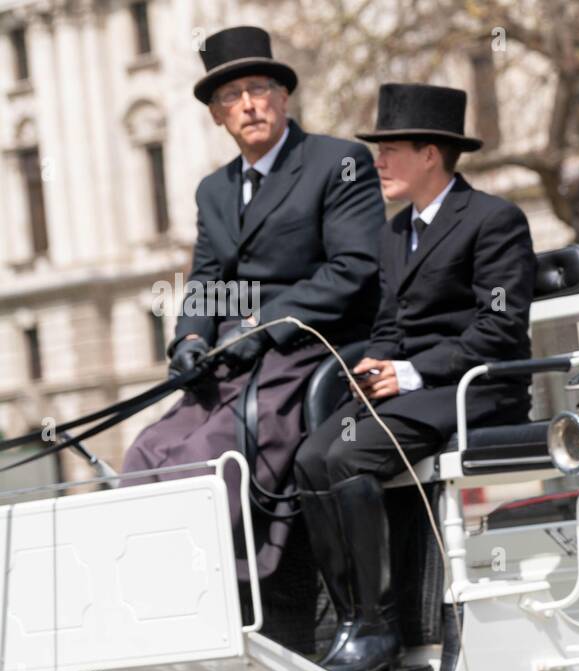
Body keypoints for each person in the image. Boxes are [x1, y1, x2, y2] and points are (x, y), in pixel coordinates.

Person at [121, 26, 384, 581]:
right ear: (217, 116)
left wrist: (264, 325)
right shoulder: (213, 191)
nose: (248, 104)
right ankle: (155, 584)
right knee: (147, 449)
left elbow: (353, 268)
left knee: (212, 452)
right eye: (230, 97)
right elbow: (207, 281)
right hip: (234, 358)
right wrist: (190, 340)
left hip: (309, 344)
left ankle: (228, 580)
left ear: (283, 96)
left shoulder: (338, 162)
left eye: (259, 89)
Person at [293, 84, 535, 671]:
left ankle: (382, 624)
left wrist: (408, 372)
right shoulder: (394, 232)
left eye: (390, 150)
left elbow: (500, 327)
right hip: (408, 391)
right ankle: (351, 618)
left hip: (473, 390)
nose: (378, 163)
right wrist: (376, 363)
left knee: (348, 457)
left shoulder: (494, 220)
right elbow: (387, 324)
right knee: (311, 457)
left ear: (431, 154)